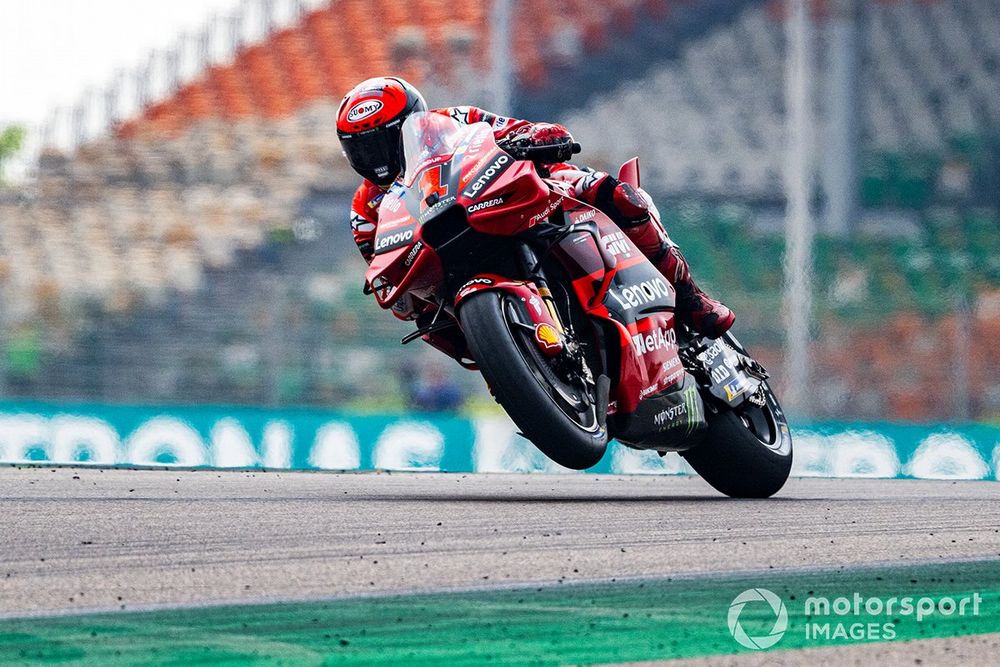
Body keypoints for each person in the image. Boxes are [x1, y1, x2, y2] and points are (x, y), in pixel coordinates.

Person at [336, 76, 734, 339]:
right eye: (363, 147)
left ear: (414, 121)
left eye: (385, 140)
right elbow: (382, 264)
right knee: (429, 321)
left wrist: (539, 137)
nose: (378, 156)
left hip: (509, 195)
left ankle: (690, 297)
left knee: (614, 195)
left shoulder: (454, 119)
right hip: (448, 260)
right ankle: (509, 374)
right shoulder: (364, 207)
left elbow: (512, 130)